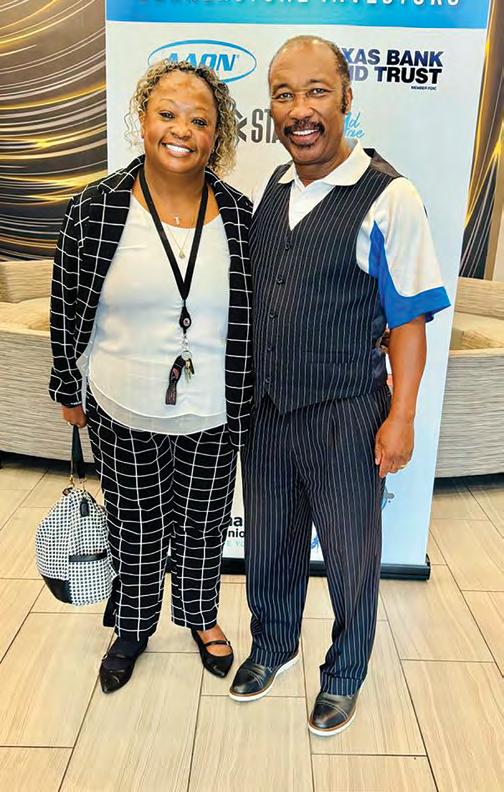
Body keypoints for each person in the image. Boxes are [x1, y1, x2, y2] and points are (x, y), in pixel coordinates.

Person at [229, 36, 450, 735]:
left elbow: (408, 322)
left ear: (347, 98)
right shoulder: (274, 185)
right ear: (272, 108)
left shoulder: (390, 196)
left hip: (347, 410)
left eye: (317, 91)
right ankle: (273, 645)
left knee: (353, 554)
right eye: (285, 94)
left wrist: (401, 417)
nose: (301, 109)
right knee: (270, 541)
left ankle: (346, 672)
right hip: (268, 408)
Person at [49, 60, 253, 693]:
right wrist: (67, 387)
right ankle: (133, 626)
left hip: (215, 407)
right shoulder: (95, 208)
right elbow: (66, 304)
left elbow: (259, 313)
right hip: (122, 400)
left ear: (217, 135)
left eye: (199, 120)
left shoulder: (242, 216)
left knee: (204, 523)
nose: (181, 130)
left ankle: (200, 616)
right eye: (167, 114)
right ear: (142, 121)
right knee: (135, 525)